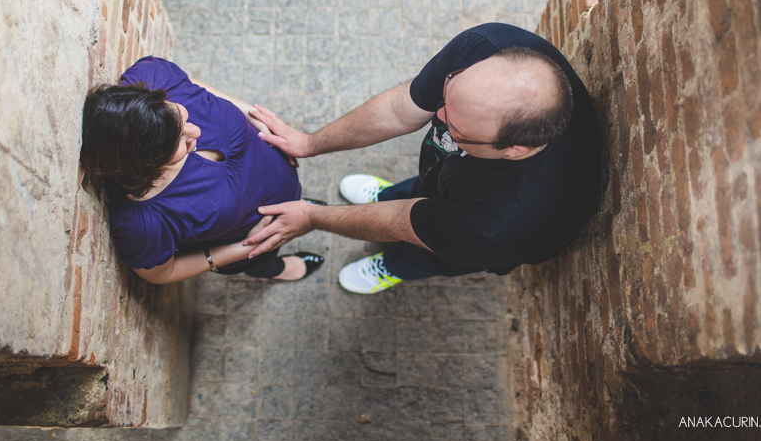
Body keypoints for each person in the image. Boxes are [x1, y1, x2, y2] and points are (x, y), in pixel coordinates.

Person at [241, 22, 604, 293]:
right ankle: (390, 194)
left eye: (456, 128)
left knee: (432, 248)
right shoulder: (485, 47)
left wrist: (312, 217)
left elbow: (399, 221)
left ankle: (395, 265)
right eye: (447, 95)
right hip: (456, 181)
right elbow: (399, 110)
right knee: (425, 186)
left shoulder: (496, 226)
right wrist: (309, 143)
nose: (438, 117)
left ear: (513, 149)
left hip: (483, 234)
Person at [79, 56, 324, 284]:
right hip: (257, 239)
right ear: (147, 164)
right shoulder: (144, 222)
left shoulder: (151, 77)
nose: (195, 131)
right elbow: (162, 273)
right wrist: (247, 248)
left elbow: (192, 84)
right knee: (264, 261)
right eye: (180, 141)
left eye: (182, 117)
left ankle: (300, 203)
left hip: (282, 178)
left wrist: (251, 115)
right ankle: (271, 271)